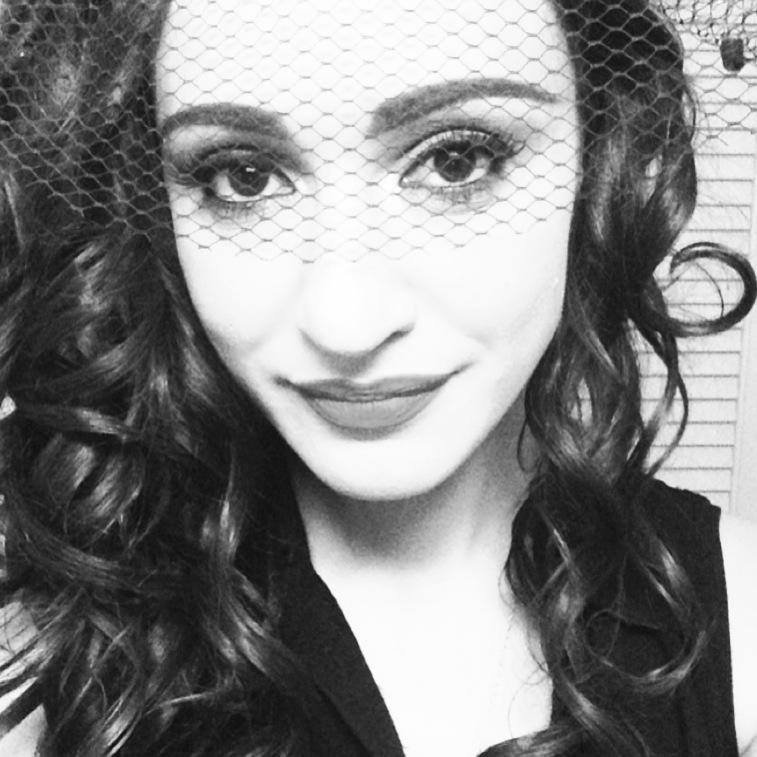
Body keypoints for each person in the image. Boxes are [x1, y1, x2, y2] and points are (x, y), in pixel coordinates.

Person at [0, 0, 755, 754]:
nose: (345, 324)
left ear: (598, 162)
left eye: (456, 160)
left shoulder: (744, 625)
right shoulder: (47, 649)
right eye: (243, 177)